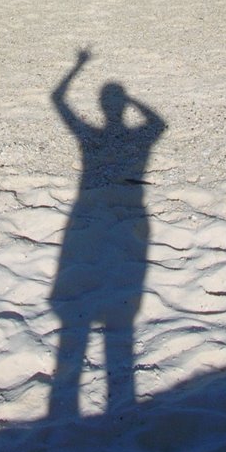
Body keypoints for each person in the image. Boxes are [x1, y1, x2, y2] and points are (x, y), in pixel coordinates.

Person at [49, 49, 167, 417]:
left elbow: (58, 100)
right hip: (134, 217)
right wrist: (132, 101)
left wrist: (77, 66)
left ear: (101, 107)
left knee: (75, 326)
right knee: (125, 321)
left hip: (84, 220)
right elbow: (158, 122)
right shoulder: (139, 138)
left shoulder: (88, 136)